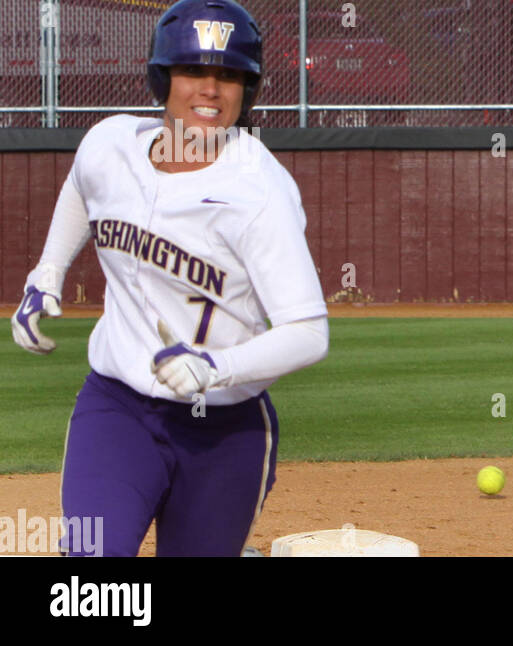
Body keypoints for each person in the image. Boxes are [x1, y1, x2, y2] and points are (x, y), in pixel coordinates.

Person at [8, 0, 328, 556]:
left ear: (247, 90)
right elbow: (83, 189)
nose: (211, 89)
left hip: (225, 431)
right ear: (163, 78)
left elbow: (308, 331)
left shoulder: (260, 191)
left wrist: (215, 367)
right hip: (118, 408)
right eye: (194, 71)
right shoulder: (111, 144)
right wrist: (48, 272)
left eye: (230, 75)